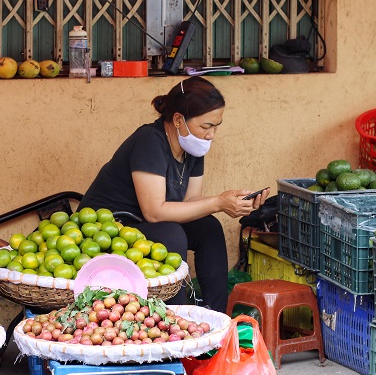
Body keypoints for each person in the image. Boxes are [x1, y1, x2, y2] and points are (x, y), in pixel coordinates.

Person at [78, 76, 269, 313]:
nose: (211, 135)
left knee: (208, 227)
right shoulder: (150, 140)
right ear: (178, 119)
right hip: (107, 228)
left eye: (216, 126)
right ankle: (177, 322)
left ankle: (216, 318)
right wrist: (217, 202)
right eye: (206, 126)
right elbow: (155, 211)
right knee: (172, 234)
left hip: (142, 223)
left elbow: (190, 202)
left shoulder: (193, 147)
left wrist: (229, 202)